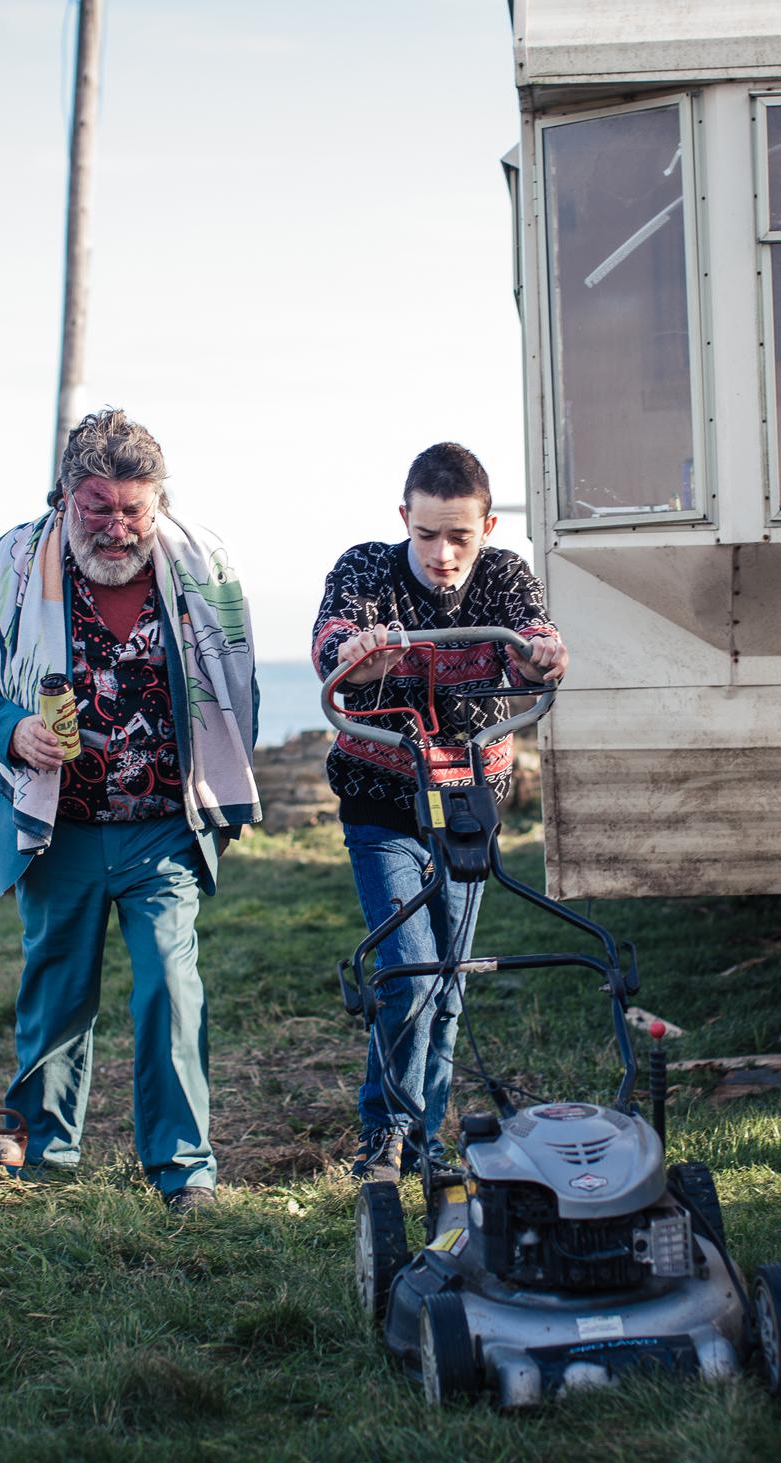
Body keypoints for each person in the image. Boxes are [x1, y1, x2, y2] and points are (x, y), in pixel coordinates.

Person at [0, 408, 260, 1214]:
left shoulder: (204, 566)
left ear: (158, 502)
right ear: (64, 498)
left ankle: (184, 1172)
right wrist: (12, 730)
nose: (117, 528)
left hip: (162, 828)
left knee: (169, 987)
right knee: (55, 996)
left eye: (133, 509)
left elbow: (237, 684)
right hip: (58, 828)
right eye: (97, 507)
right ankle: (43, 1162)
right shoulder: (6, 564)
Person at [309, 442, 568, 1184]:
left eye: (460, 535)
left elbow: (530, 640)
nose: (444, 554)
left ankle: (427, 1137)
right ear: (405, 520)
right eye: (427, 535)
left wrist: (542, 656)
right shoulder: (366, 569)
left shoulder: (505, 575)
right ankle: (385, 1132)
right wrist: (357, 653)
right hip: (382, 798)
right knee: (412, 971)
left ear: (487, 524)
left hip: (467, 799)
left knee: (449, 980)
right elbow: (332, 641)